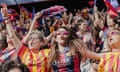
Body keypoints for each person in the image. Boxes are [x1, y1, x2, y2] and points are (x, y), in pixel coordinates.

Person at [2, 4, 53, 72]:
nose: (31, 41)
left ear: (41, 43)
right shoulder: (24, 52)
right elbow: (12, 37)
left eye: (34, 39)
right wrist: (6, 19)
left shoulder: (48, 53)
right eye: (30, 39)